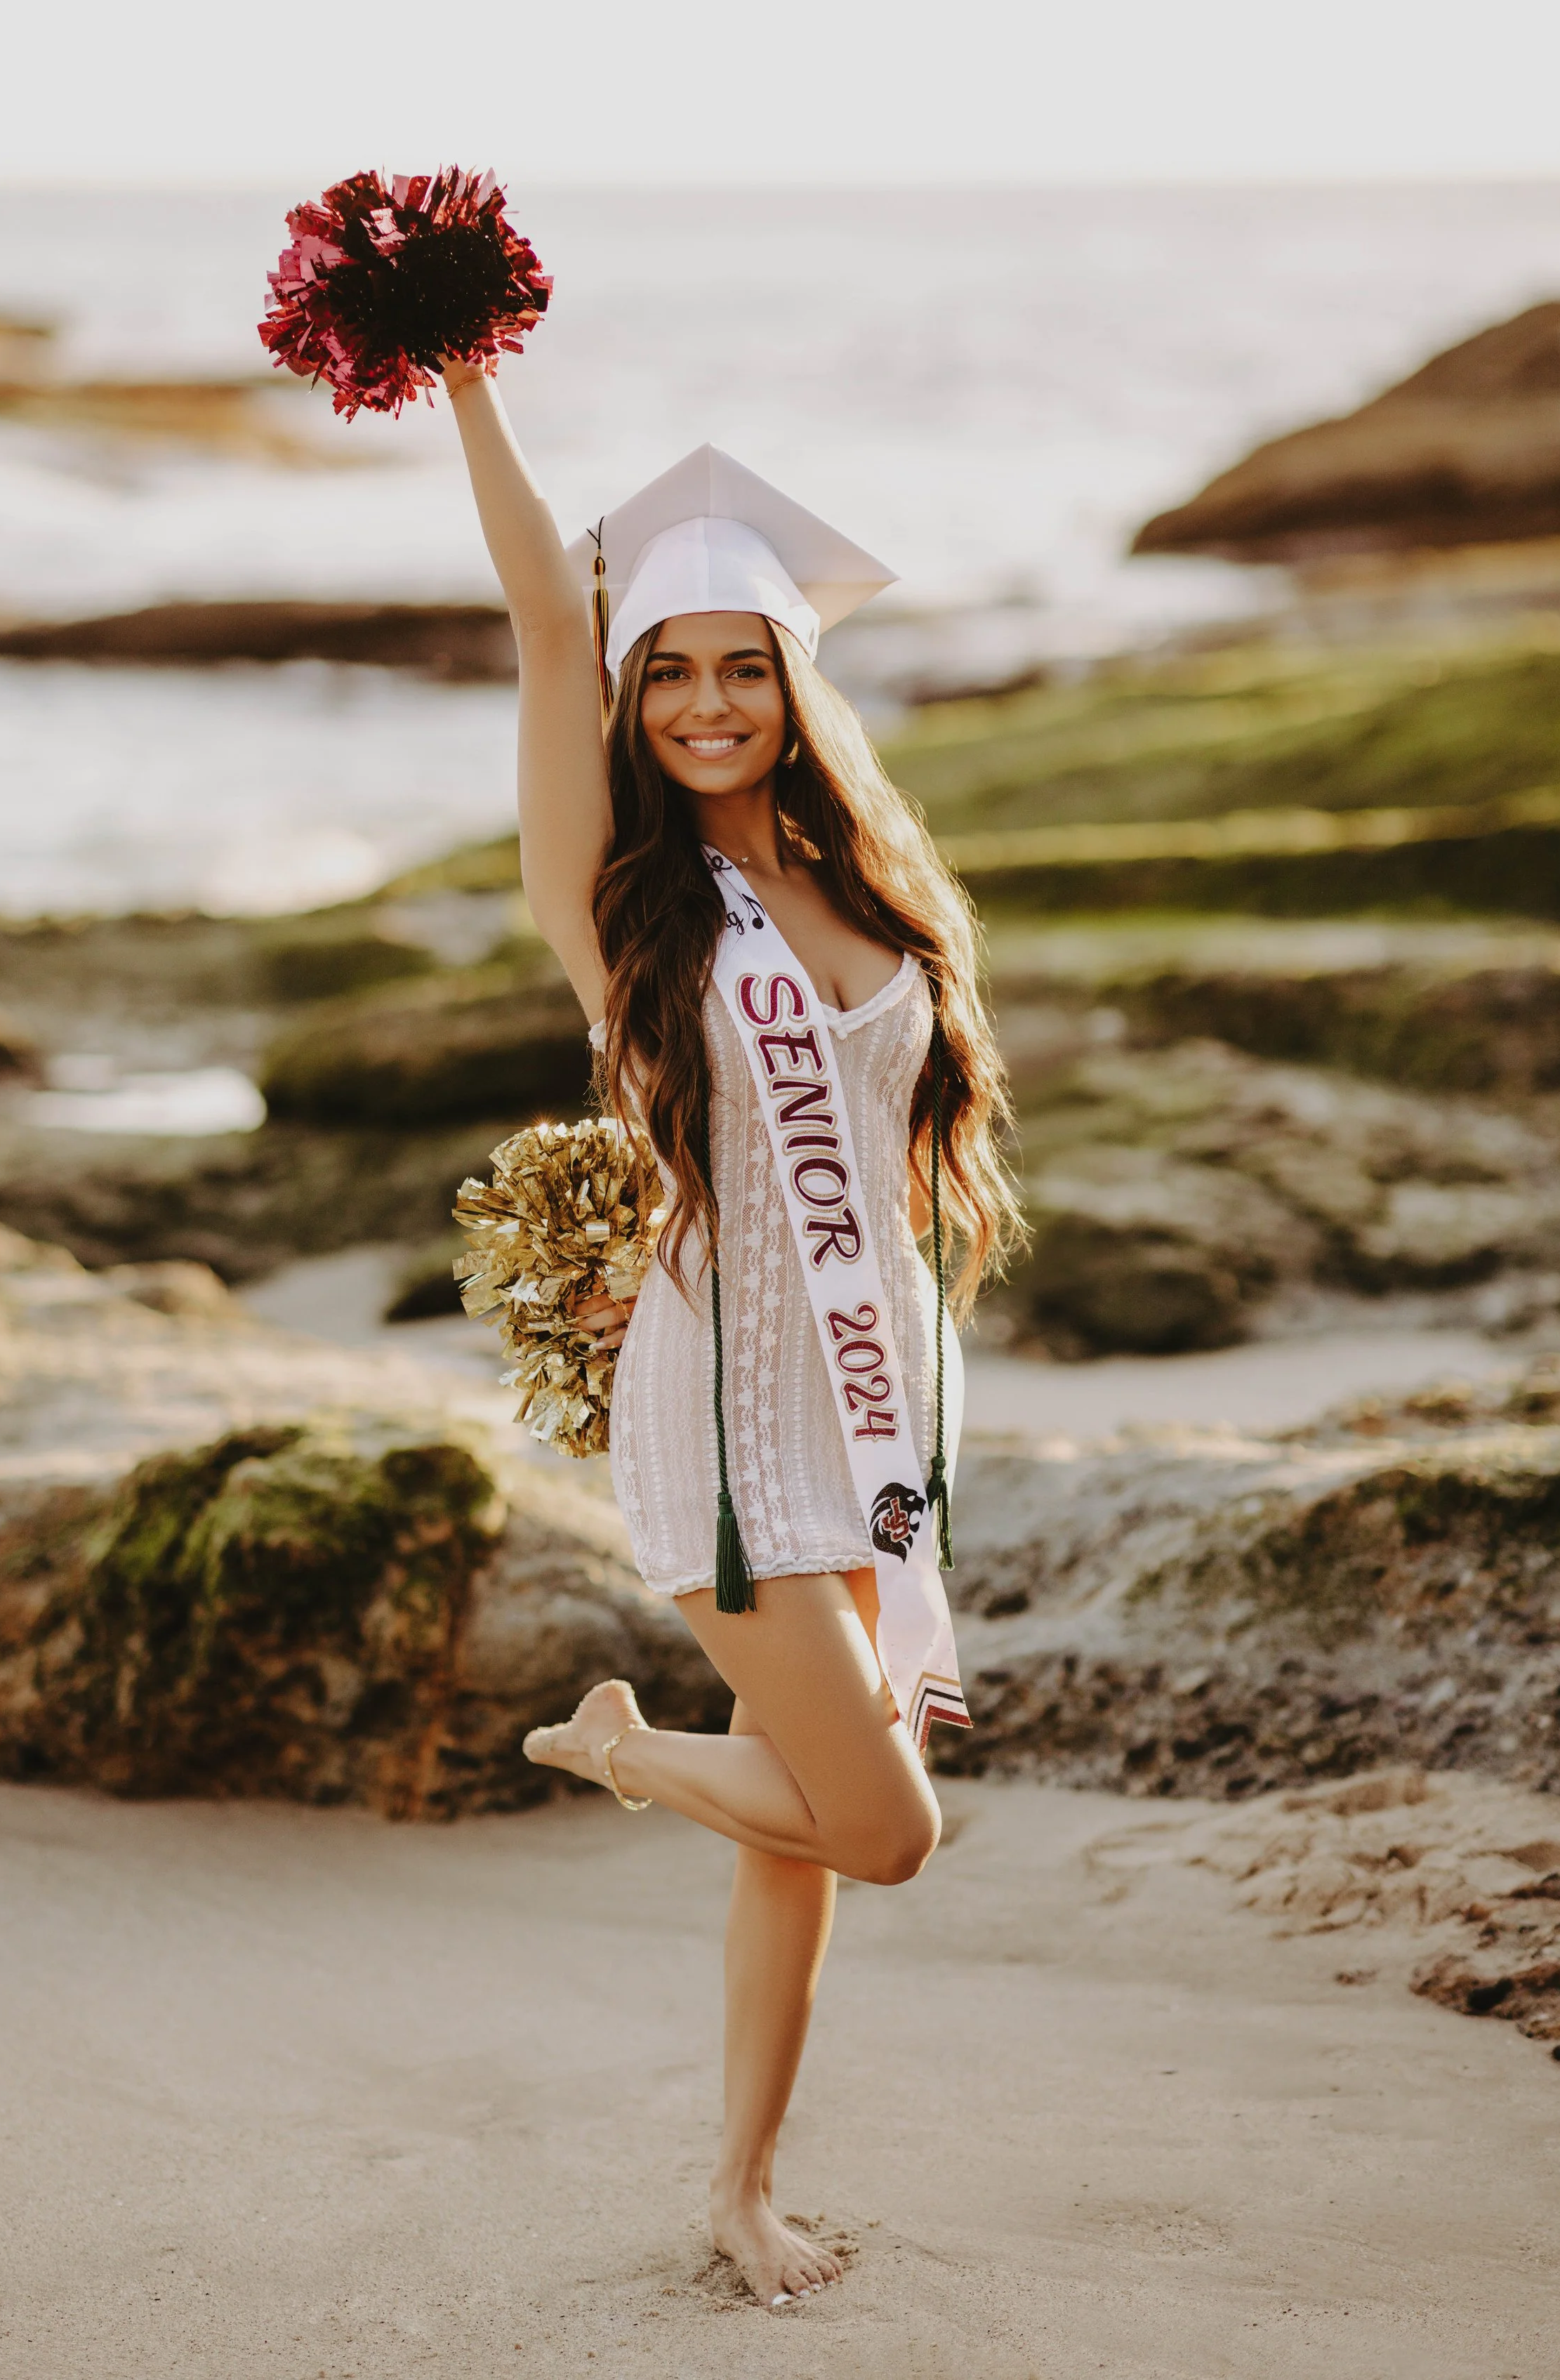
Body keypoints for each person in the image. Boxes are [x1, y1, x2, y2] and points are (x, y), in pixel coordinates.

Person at [442, 366, 1023, 2306]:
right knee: (881, 1826)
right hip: (717, 1421)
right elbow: (542, 626)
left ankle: (740, 2186)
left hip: (860, 1396)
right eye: (668, 669)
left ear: (792, 682)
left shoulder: (862, 885)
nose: (701, 702)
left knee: (799, 1847)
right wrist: (468, 385)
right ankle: (625, 1748)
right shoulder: (623, 902)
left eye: (739, 667)